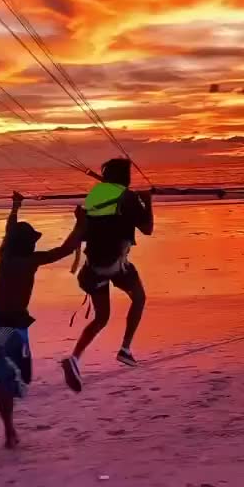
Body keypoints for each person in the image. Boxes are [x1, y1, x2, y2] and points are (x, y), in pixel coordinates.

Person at [0, 192, 83, 448]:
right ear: (25, 245)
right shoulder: (27, 262)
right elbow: (64, 250)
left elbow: (8, 233)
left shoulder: (4, 259)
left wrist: (15, 207)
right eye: (31, 241)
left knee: (9, 380)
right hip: (9, 330)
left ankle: (8, 433)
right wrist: (80, 224)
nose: (33, 245)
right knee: (17, 380)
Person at [62, 157, 153, 393]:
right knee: (140, 298)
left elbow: (92, 226)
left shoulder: (94, 196)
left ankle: (74, 358)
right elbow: (147, 229)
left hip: (94, 269)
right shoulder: (128, 197)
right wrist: (147, 202)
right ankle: (125, 348)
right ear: (125, 177)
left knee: (102, 318)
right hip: (116, 265)